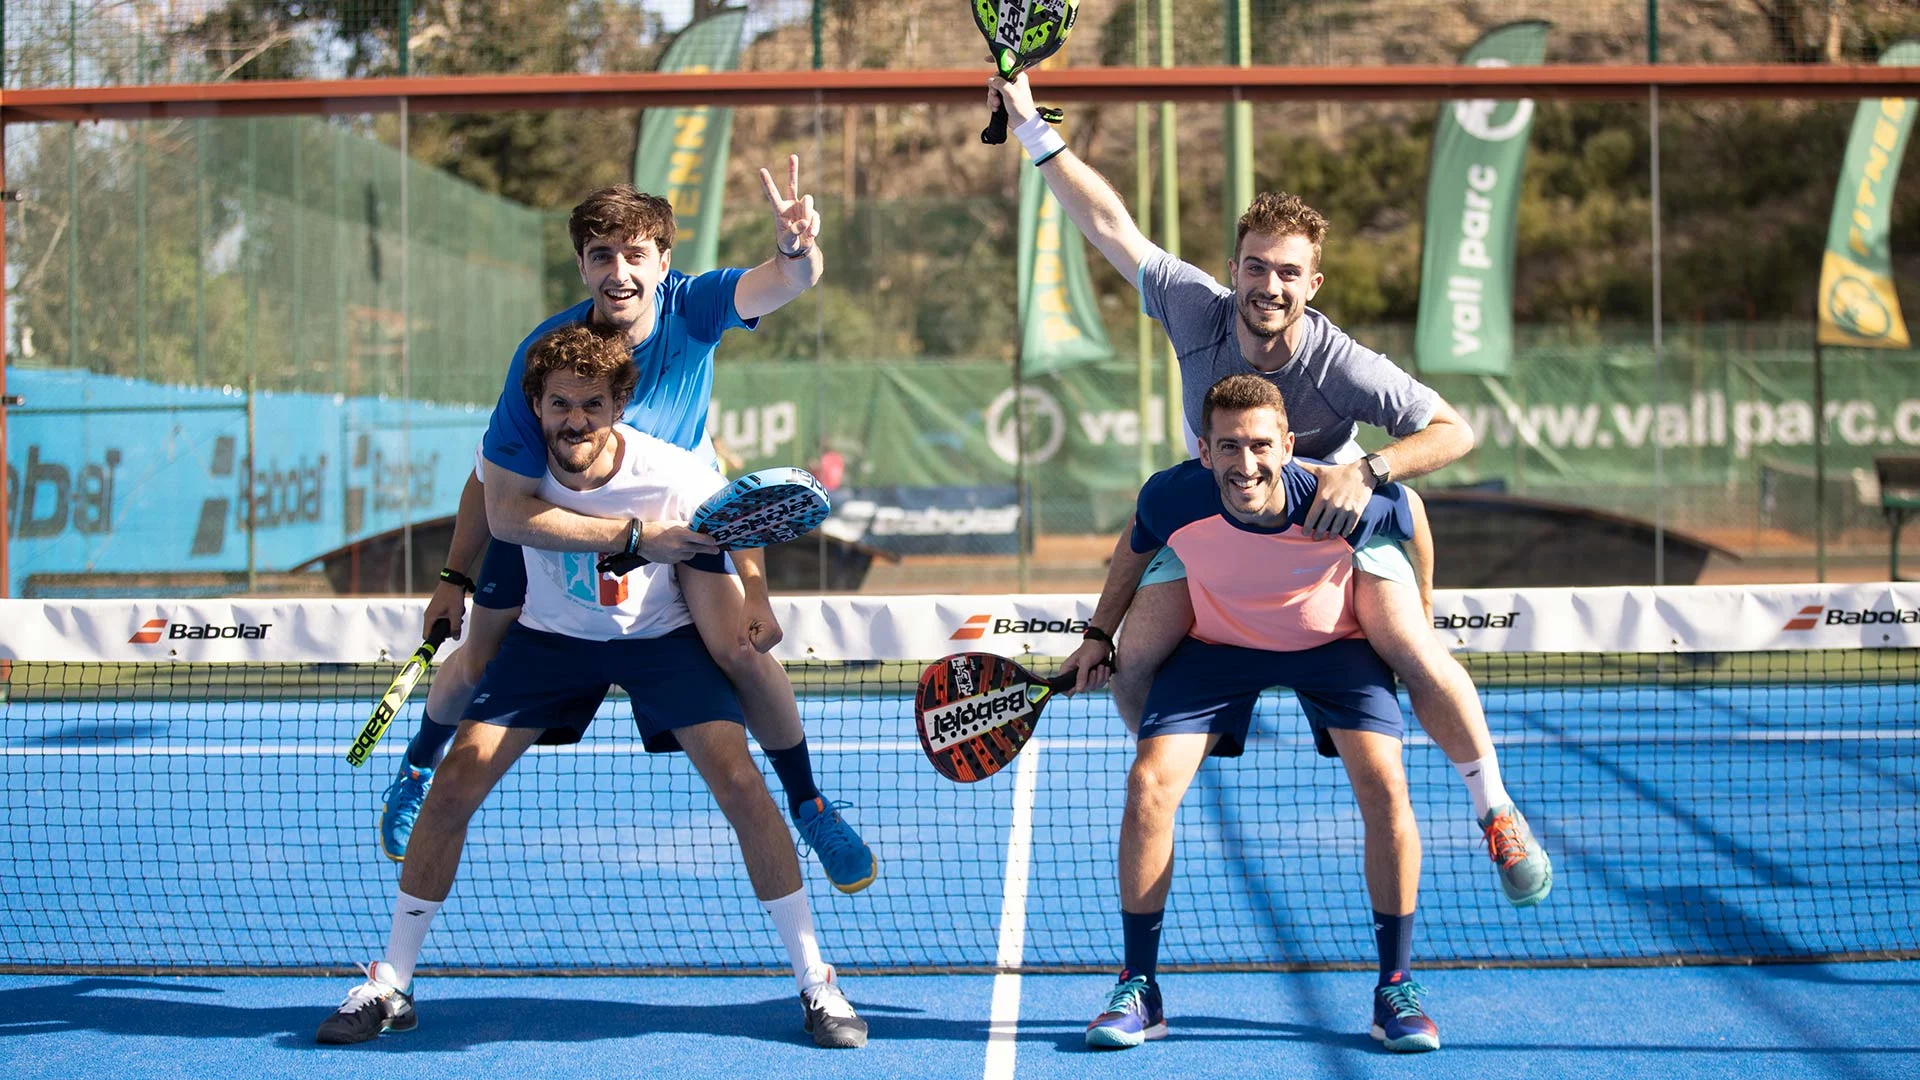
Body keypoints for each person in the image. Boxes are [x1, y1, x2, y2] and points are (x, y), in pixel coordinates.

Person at [991, 72, 1549, 907]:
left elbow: (1454, 431)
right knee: (1134, 661)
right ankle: (1191, 735)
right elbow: (1107, 223)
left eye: (1288, 273)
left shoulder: (1342, 364)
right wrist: (1032, 127)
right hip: (1217, 524)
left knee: (1412, 644)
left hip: (1329, 529)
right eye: (1256, 267)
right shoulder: (1193, 307)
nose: (1269, 287)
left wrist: (1369, 469)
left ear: (1312, 285)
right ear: (1234, 269)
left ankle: (1494, 808)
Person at [317, 326, 868, 1049]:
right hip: (549, 643)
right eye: (559, 405)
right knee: (457, 781)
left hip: (659, 640)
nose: (574, 420)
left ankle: (817, 982)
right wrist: (454, 579)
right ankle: (390, 982)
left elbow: (737, 525)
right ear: (536, 407)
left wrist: (757, 594)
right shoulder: (516, 468)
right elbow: (484, 500)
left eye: (591, 404)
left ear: (618, 406)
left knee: (739, 783)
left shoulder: (670, 470)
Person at [381, 161, 877, 895]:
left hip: (672, 524)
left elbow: (782, 282)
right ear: (582, 265)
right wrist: (455, 577)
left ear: (662, 261)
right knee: (478, 658)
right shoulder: (548, 357)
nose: (620, 271)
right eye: (602, 254)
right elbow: (491, 483)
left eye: (635, 253)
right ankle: (418, 766)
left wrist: (798, 249)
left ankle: (808, 801)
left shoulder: (696, 306)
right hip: (555, 529)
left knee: (740, 652)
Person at [1071, 374, 1437, 1053]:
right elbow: (1134, 549)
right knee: (1148, 785)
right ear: (1204, 452)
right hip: (1219, 649)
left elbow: (1414, 520)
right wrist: (1098, 634)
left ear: (1290, 445)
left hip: (1335, 646)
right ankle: (1139, 987)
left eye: (1261, 445)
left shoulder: (1339, 499)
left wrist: (1425, 615)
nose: (1247, 464)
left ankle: (1395, 986)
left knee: (1386, 783)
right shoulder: (1172, 494)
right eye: (1229, 447)